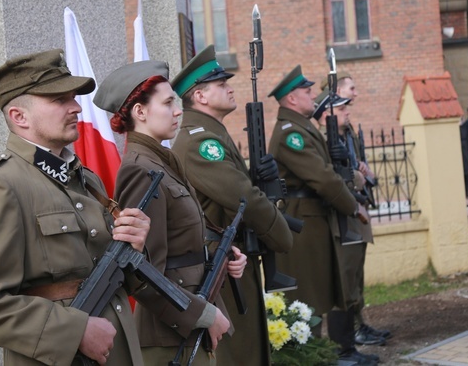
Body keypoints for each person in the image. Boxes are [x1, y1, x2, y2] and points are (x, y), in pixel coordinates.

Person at [0, 50, 153, 365]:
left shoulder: (86, 180)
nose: (76, 107)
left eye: (73, 98)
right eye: (60, 99)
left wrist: (136, 248)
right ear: (20, 117)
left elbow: (116, 276)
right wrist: (74, 332)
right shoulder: (0, 186)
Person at [94, 60, 247, 365]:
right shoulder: (140, 169)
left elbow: (183, 237)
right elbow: (142, 269)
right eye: (167, 103)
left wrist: (223, 250)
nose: (178, 111)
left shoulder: (162, 161)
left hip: (190, 316)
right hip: (172, 332)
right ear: (140, 112)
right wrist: (201, 316)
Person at [171, 45, 294, 366]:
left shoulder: (211, 133)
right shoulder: (200, 140)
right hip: (221, 263)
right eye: (220, 84)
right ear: (200, 96)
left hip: (233, 258)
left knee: (249, 350)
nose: (230, 87)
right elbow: (244, 198)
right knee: (239, 355)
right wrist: (282, 236)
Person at [268, 66, 375, 366]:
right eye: (306, 91)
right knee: (307, 296)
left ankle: (322, 356)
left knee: (316, 293)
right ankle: (310, 358)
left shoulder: (301, 127)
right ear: (291, 99)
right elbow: (323, 178)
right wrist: (353, 206)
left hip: (314, 219)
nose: (313, 95)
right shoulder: (291, 135)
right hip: (304, 223)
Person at [321, 71, 391, 347]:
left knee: (356, 274)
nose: (356, 93)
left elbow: (359, 164)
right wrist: (356, 176)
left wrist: (365, 175)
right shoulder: (327, 133)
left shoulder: (347, 130)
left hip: (358, 203)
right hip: (345, 209)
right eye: (351, 89)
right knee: (346, 276)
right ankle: (346, 338)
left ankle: (359, 325)